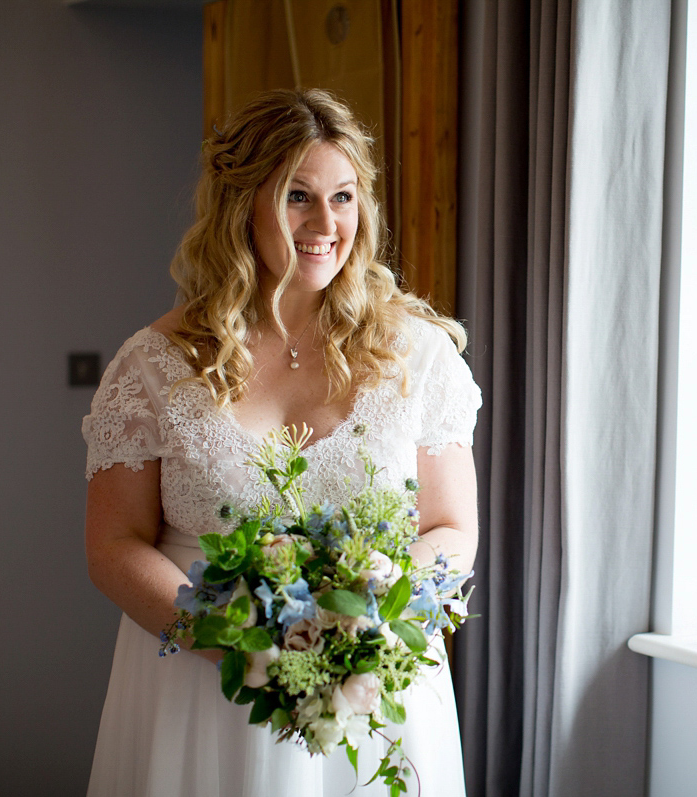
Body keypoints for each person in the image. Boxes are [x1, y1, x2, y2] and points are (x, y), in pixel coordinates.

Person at [82, 88, 480, 797]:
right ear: (245, 204)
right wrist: (244, 647)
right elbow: (114, 544)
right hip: (201, 700)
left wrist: (373, 616)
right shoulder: (152, 364)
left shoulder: (418, 356)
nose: (326, 223)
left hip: (368, 697)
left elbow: (450, 526)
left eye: (344, 196)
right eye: (298, 195)